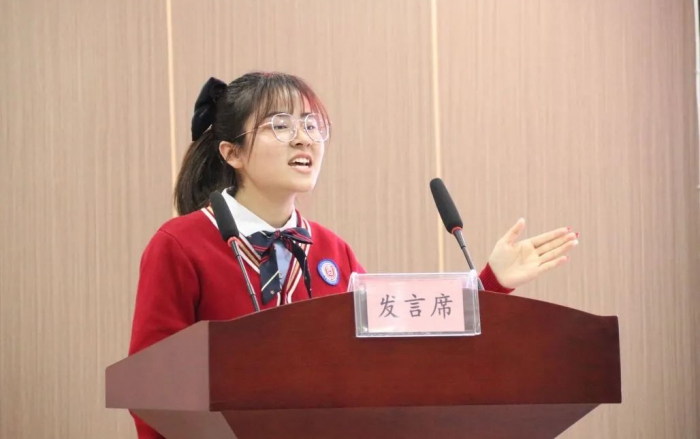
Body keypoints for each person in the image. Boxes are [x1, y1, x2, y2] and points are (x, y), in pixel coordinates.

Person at [128, 72, 579, 439]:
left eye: (312, 126)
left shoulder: (331, 250)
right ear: (232, 153)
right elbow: (152, 387)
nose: (303, 139)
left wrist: (491, 282)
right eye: (281, 125)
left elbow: (397, 347)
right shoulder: (181, 244)